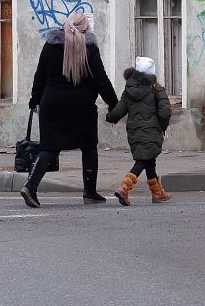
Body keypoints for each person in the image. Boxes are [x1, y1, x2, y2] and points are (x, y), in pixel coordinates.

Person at [21, 11, 118, 208]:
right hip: (81, 107)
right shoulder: (90, 48)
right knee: (89, 147)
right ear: (86, 28)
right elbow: (102, 81)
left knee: (50, 148)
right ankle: (89, 192)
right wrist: (114, 104)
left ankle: (30, 186)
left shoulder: (51, 45)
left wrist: (34, 101)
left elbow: (39, 75)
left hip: (52, 105)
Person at [106, 55, 174, 204]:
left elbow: (118, 111)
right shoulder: (156, 89)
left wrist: (109, 117)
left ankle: (157, 193)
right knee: (143, 160)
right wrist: (162, 126)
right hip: (151, 130)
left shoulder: (129, 89)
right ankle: (124, 187)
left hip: (134, 131)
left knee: (149, 160)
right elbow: (165, 112)